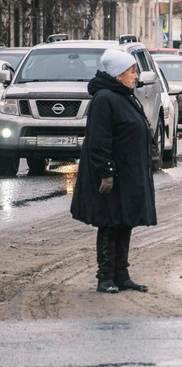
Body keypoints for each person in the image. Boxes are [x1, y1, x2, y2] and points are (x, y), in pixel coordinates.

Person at [71, 49, 157, 293]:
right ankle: (105, 278)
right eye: (132, 71)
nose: (136, 75)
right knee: (109, 224)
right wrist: (105, 172)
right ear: (118, 74)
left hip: (127, 174)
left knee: (124, 223)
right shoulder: (105, 98)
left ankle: (122, 275)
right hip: (112, 176)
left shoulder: (124, 95)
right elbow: (98, 140)